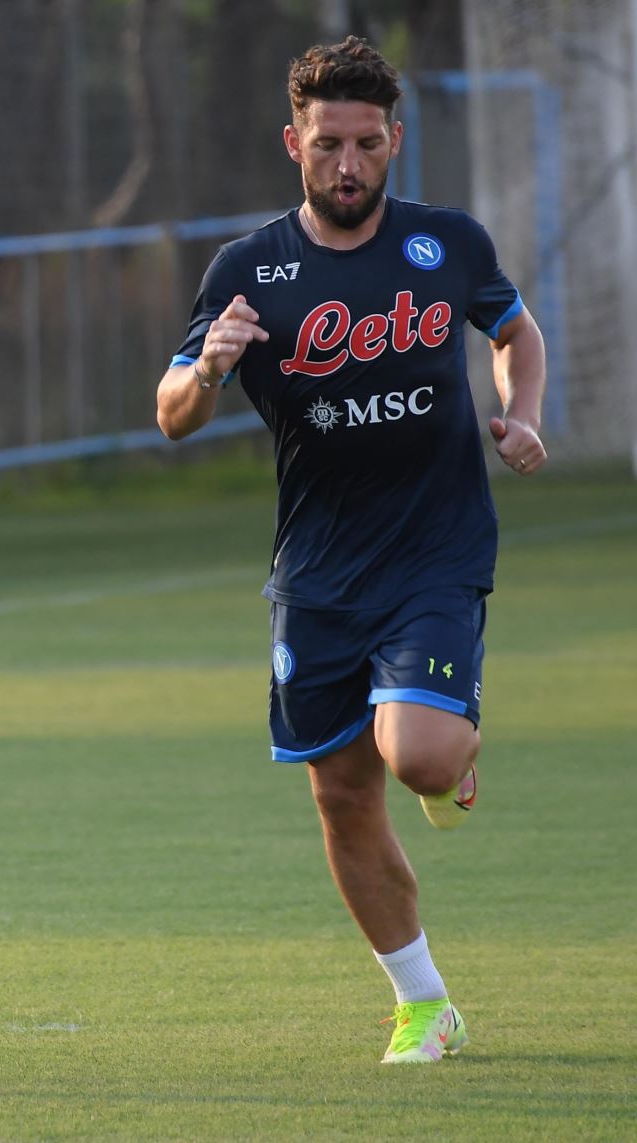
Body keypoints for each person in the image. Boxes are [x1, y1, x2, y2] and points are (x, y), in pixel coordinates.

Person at [155, 36, 546, 1064]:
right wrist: (209, 372)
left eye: (366, 144)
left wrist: (523, 412)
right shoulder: (247, 270)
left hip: (435, 550)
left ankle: (449, 739)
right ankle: (424, 1005)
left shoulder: (445, 242)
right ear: (294, 143)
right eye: (327, 144)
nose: (347, 165)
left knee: (414, 754)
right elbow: (170, 414)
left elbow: (513, 332)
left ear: (393, 142)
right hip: (318, 572)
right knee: (339, 793)